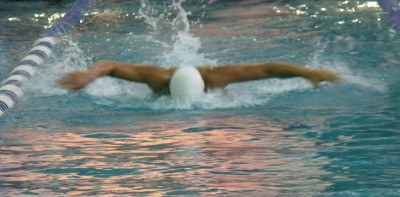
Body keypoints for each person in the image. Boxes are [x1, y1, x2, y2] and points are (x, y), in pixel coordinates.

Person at [59, 60, 341, 98]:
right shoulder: (158, 79)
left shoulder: (215, 78)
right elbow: (110, 65)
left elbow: (267, 69)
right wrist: (88, 76)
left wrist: (308, 74)